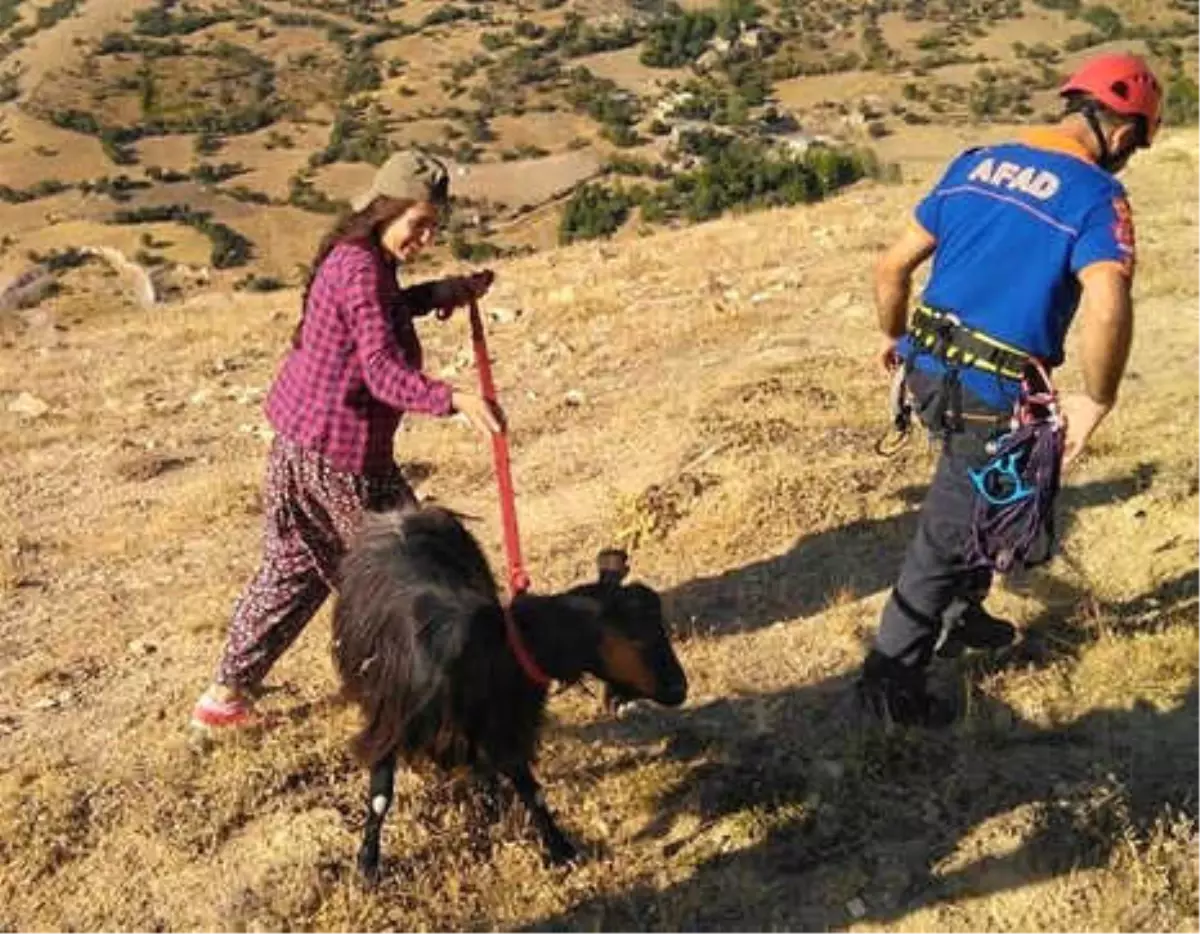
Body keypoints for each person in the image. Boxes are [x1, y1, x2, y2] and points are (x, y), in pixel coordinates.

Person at [857, 54, 1163, 726]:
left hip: (928, 369)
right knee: (945, 533)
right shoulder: (1097, 197)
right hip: (992, 389)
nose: (1129, 158)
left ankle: (963, 615)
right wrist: (1098, 396)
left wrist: (892, 334)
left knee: (980, 504)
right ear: (1122, 133)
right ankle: (887, 682)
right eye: (1136, 145)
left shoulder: (975, 162)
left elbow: (891, 266)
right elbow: (1108, 301)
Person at [191, 150, 504, 731]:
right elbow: (383, 370)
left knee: (294, 568)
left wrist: (439, 293)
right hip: (342, 458)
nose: (427, 237)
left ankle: (224, 696)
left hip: (299, 445)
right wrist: (454, 399)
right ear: (385, 210)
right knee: (414, 571)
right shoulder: (361, 270)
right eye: (419, 224)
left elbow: (381, 314)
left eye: (435, 225)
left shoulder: (359, 257)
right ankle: (431, 694)